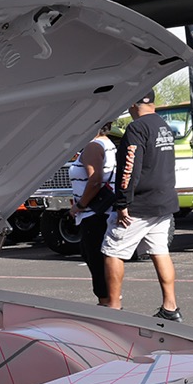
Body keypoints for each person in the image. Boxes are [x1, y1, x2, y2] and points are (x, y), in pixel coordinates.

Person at [103, 91, 182, 322]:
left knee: (112, 250)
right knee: (160, 251)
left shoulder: (136, 128)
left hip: (140, 204)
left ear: (133, 104)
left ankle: (113, 308)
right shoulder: (163, 126)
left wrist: (122, 202)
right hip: (163, 201)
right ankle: (171, 307)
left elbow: (130, 167)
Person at [67, 122, 118, 306]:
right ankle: (110, 301)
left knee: (96, 260)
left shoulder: (93, 146)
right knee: (96, 257)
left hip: (94, 213)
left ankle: (106, 304)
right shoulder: (107, 143)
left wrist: (80, 205)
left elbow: (95, 179)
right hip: (102, 211)